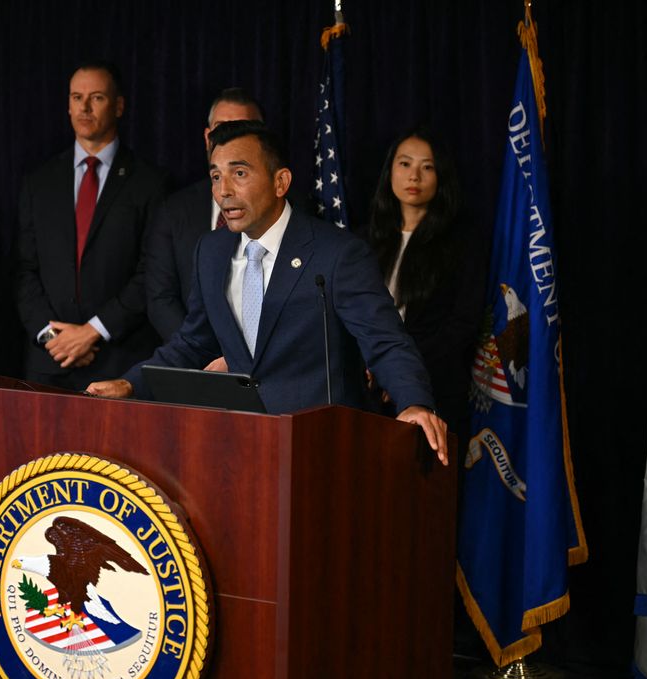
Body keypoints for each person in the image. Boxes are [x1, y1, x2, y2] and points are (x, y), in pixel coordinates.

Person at [88, 121, 449, 464]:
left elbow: (386, 341)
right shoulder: (210, 252)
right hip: (237, 444)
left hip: (322, 446)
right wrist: (131, 382)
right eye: (216, 176)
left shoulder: (336, 254)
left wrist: (414, 403)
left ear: (281, 182)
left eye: (239, 173)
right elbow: (193, 342)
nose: (223, 189)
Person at [15, 61, 171, 389]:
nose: (84, 107)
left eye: (96, 98)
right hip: (50, 360)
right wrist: (51, 336)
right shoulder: (38, 181)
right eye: (76, 97)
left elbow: (151, 273)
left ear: (118, 106)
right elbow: (23, 270)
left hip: (118, 362)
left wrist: (92, 331)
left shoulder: (150, 183)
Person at [367, 128, 485, 438]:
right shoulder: (362, 241)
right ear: (390, 170)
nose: (414, 176)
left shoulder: (463, 244)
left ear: (441, 175)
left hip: (436, 390)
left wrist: (403, 376)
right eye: (405, 164)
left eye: (427, 166)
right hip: (365, 392)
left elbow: (462, 325)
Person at [144, 88, 264, 344]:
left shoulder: (291, 207)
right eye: (221, 129)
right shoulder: (173, 209)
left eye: (240, 129)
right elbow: (160, 297)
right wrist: (200, 355)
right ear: (207, 136)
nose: (229, 139)